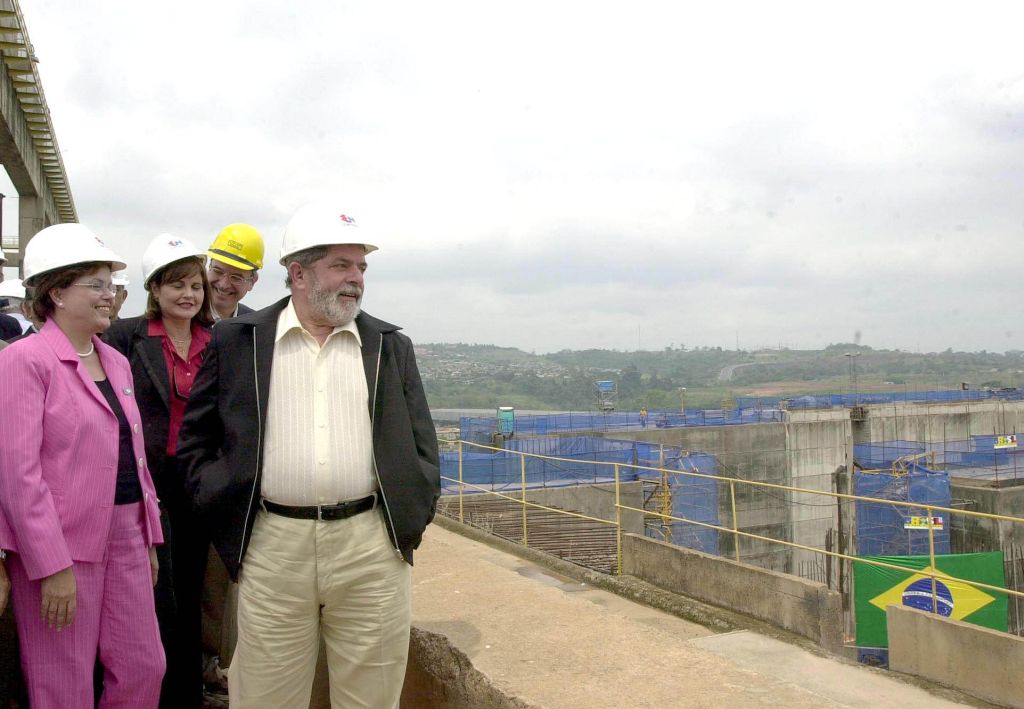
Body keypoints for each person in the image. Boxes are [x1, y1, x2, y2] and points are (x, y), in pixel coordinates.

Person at [177, 203, 440, 708]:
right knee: (265, 696)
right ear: (298, 273)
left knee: (371, 697)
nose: (356, 280)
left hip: (371, 550)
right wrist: (227, 517)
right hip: (273, 547)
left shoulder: (388, 346)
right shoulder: (239, 342)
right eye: (341, 266)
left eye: (361, 267)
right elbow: (197, 441)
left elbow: (422, 447)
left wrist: (409, 521)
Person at [0, 223, 165, 707]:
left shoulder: (115, 360)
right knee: (63, 683)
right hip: (61, 545)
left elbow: (133, 453)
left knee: (145, 665)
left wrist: (148, 534)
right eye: (96, 284)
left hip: (127, 533)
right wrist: (52, 565)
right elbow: (18, 476)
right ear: (55, 291)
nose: (109, 295)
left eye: (111, 285)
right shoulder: (25, 362)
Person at [104, 235, 214, 708]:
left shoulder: (221, 341)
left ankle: (185, 694)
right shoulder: (125, 336)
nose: (188, 295)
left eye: (195, 286)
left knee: (189, 593)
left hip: (196, 485)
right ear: (154, 290)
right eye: (176, 286)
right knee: (146, 595)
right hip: (144, 484)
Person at [206, 223, 263, 320]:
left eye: (236, 277)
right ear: (209, 267)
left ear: (252, 282)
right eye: (218, 271)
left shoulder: (256, 328)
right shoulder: (182, 319)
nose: (223, 285)